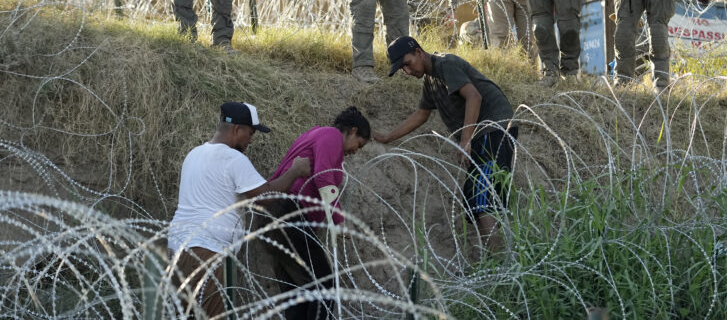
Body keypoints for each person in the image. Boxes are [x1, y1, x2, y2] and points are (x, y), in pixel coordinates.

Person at [167, 101, 311, 318]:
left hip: (178, 247)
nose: (250, 140)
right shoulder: (232, 158)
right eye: (250, 133)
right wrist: (295, 171)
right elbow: (264, 196)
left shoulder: (194, 154)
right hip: (205, 250)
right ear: (237, 129)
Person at [373, 36, 517, 252]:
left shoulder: (445, 64)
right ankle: (497, 258)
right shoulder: (431, 82)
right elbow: (421, 115)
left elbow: (474, 96)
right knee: (475, 197)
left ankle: (500, 263)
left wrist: (465, 139)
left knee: (483, 196)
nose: (407, 71)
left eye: (407, 64)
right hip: (483, 135)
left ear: (419, 53)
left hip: (495, 128)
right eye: (402, 69)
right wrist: (387, 137)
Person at [260, 107, 371, 320]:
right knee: (324, 285)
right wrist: (339, 221)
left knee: (298, 294)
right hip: (289, 215)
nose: (356, 150)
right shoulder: (330, 135)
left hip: (275, 215)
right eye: (360, 144)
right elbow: (323, 178)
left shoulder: (314, 134)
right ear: (353, 131)